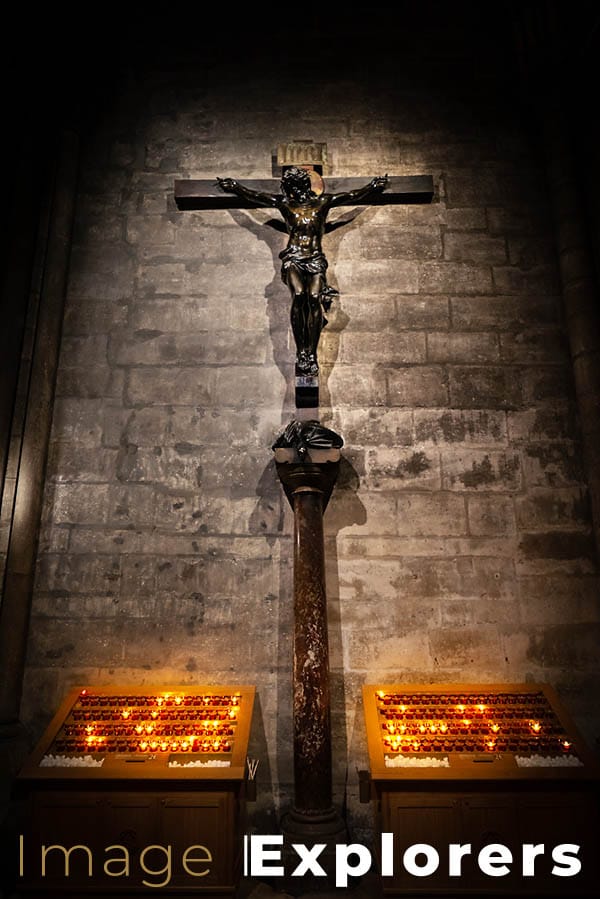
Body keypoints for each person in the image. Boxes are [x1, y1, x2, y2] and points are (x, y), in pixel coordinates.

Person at [216, 167, 388, 376]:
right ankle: (301, 352)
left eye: (292, 188)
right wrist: (235, 187)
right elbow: (258, 197)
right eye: (289, 189)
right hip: (293, 258)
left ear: (302, 186)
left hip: (315, 258)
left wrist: (372, 187)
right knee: (299, 295)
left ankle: (311, 353)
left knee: (314, 298)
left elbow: (350, 197)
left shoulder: (322, 203)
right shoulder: (286, 205)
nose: (290, 192)